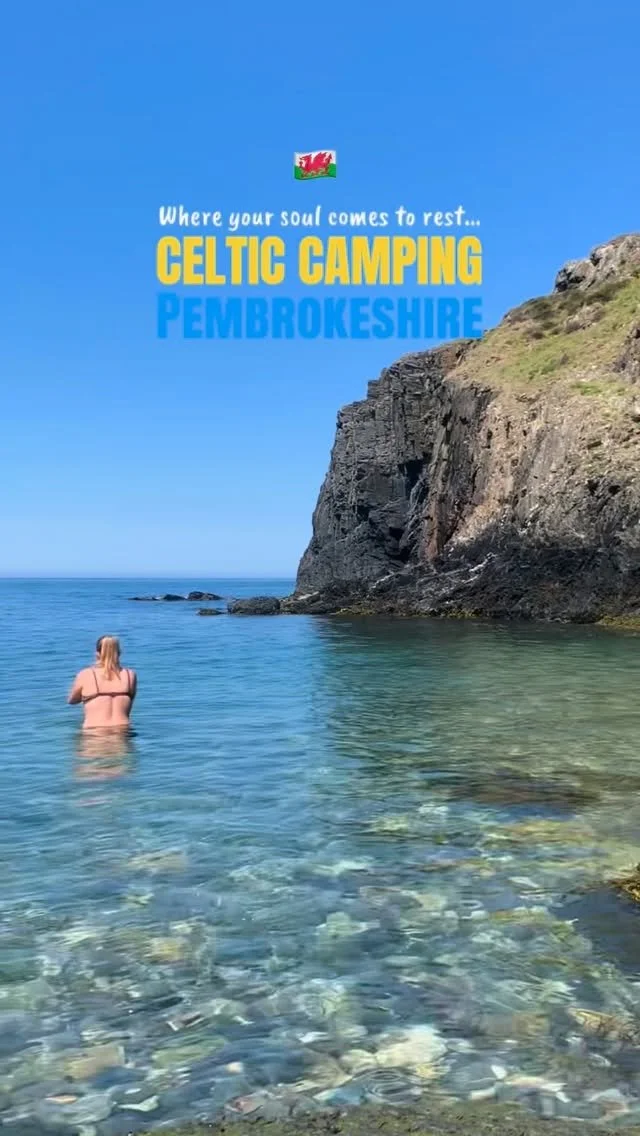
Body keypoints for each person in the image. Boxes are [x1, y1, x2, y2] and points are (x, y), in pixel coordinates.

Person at [68, 635, 137, 730]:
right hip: (123, 730)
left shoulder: (86, 674)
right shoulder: (130, 675)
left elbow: (72, 701)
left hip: (94, 730)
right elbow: (130, 703)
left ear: (97, 654)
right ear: (119, 653)